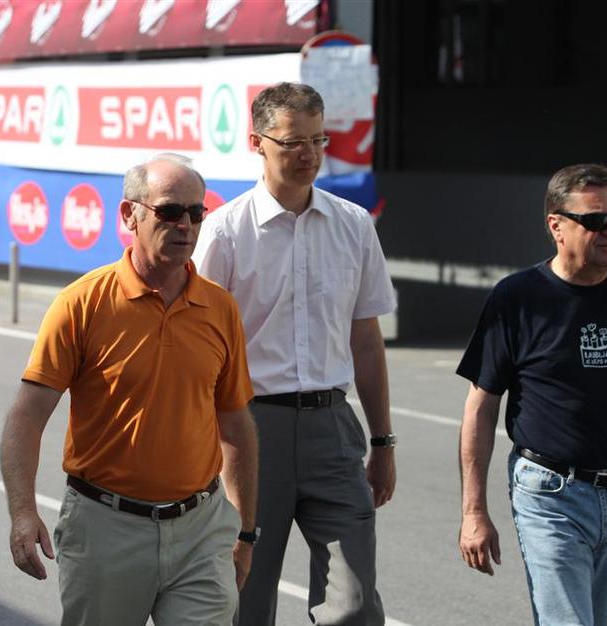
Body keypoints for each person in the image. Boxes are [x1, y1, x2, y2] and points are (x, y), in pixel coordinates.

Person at [0, 156, 259, 626]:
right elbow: (27, 416)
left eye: (195, 213)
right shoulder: (81, 304)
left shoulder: (220, 308)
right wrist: (22, 512)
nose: (185, 225)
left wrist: (244, 530)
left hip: (201, 531)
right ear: (129, 215)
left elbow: (235, 423)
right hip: (106, 531)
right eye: (170, 211)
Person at [193, 82, 397, 626]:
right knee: (246, 600)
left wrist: (382, 441)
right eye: (292, 142)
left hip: (334, 429)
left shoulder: (354, 225)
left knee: (355, 607)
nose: (308, 154)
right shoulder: (225, 232)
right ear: (256, 143)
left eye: (317, 139)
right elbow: (200, 348)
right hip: (249, 430)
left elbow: (366, 340)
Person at [457, 163, 607, 626]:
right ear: (556, 226)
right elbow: (481, 408)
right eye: (596, 220)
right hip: (550, 494)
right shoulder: (517, 297)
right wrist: (473, 511)